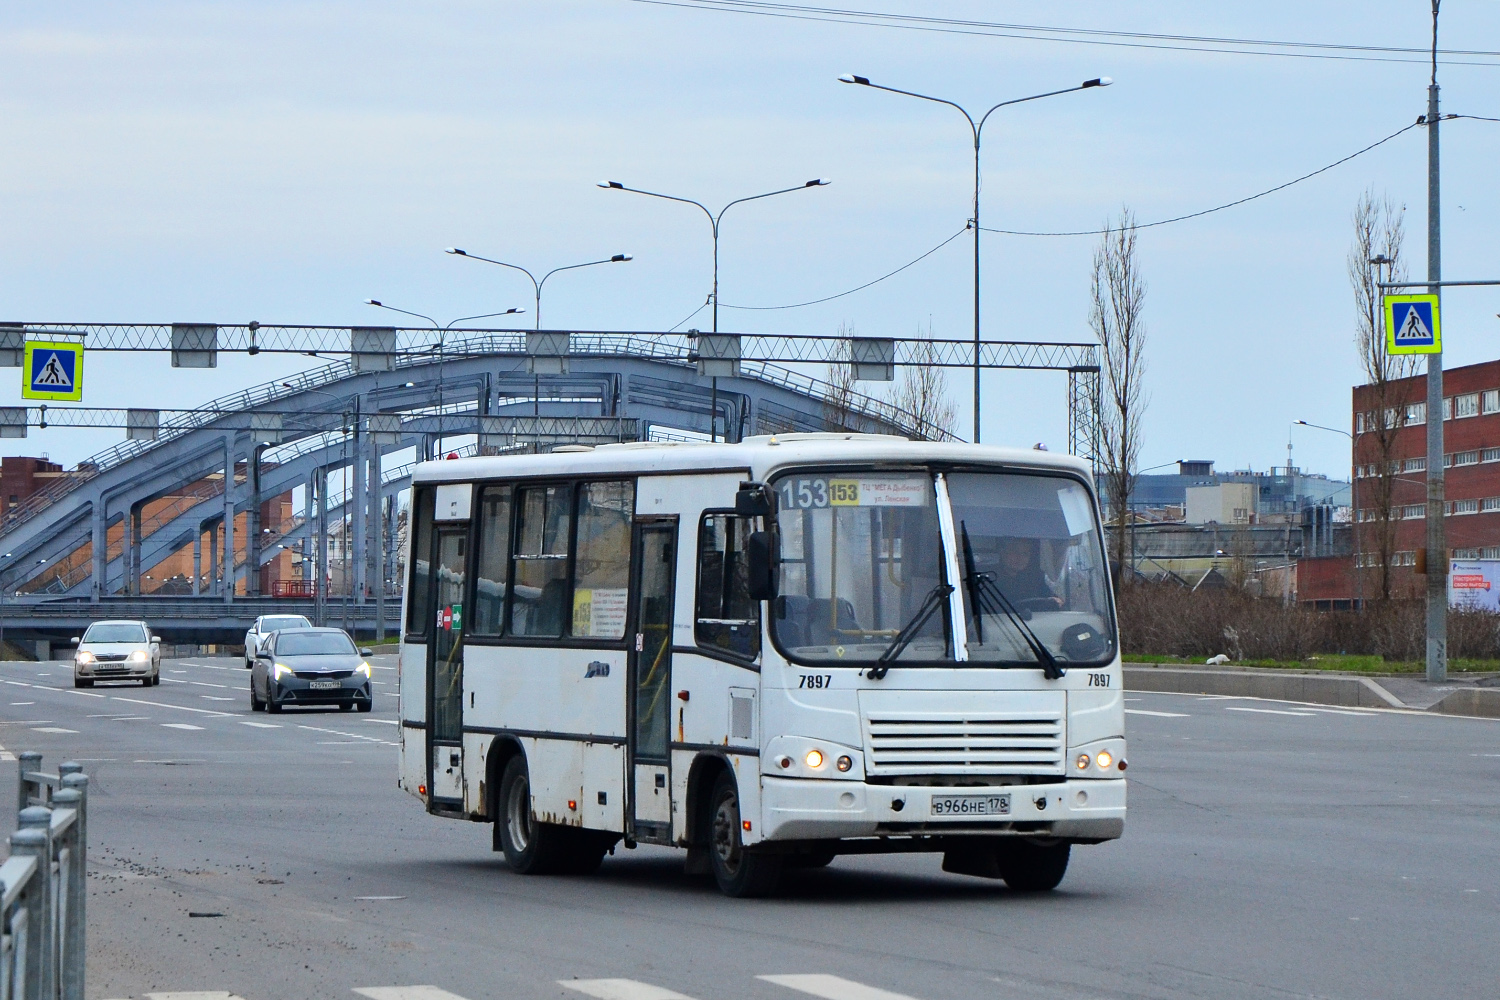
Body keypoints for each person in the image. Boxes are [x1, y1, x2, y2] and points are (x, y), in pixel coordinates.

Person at [993, 537, 1062, 608]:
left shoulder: (1034, 579)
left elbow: (1054, 599)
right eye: (1014, 552)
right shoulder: (989, 579)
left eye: (1025, 554)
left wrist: (1056, 601)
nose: (1020, 558)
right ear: (1002, 552)